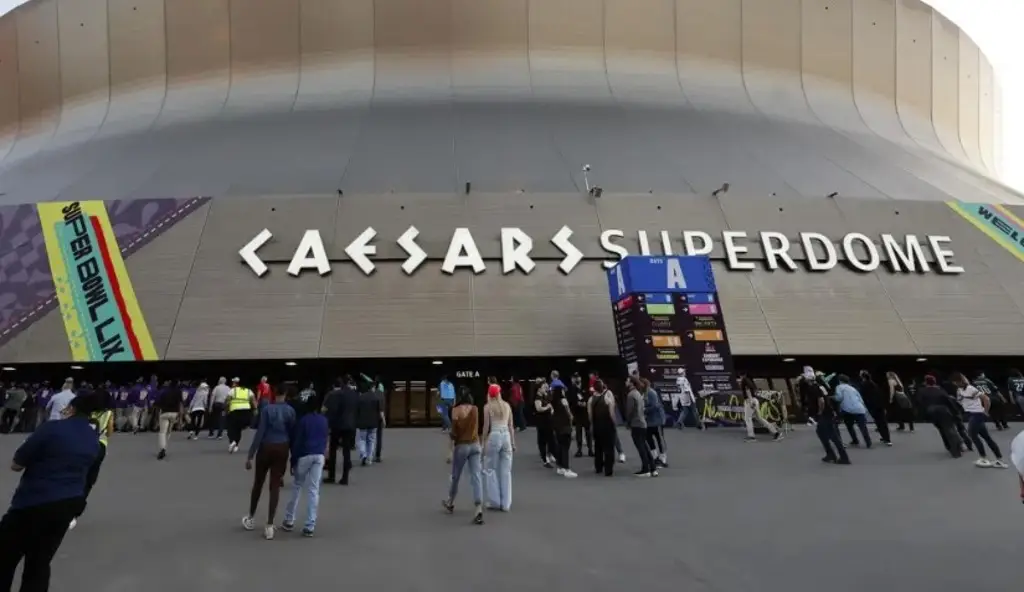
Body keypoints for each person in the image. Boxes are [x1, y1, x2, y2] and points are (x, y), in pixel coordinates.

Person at [0, 392, 100, 592]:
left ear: (71, 409)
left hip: (33, 501)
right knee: (39, 562)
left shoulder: (51, 429)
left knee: (4, 557)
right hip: (68, 503)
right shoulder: (93, 438)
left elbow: (17, 464)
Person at [243, 384, 297, 540]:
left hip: (266, 446)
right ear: (285, 394)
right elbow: (292, 434)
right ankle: (269, 525)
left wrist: (250, 455)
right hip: (282, 447)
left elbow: (260, 432)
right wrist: (293, 458)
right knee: (275, 486)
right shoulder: (290, 411)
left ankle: (251, 517)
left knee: (258, 483)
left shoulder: (267, 410)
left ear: (274, 394)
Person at [284, 398, 328, 537]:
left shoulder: (303, 421)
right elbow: (326, 438)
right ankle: (310, 524)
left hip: (304, 455)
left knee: (297, 486)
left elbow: (298, 442)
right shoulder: (324, 420)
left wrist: (293, 460)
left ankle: (289, 519)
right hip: (319, 455)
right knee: (314, 490)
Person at [71, 388, 114, 530]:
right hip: (99, 446)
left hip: (82, 442)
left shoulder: (87, 411)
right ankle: (76, 512)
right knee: (89, 480)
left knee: (76, 474)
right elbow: (109, 432)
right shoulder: (108, 413)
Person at [442, 390, 484, 524]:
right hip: (475, 444)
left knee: (456, 476)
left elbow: (453, 433)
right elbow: (479, 428)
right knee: (476, 476)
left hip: (462, 446)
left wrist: (449, 451)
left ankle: (450, 501)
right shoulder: (476, 409)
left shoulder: (455, 411)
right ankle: (478, 508)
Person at [952, 372, 1008, 469]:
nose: (955, 384)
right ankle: (999, 459)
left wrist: (985, 411)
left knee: (972, 434)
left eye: (956, 382)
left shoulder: (970, 388)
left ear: (959, 381)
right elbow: (961, 402)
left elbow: (986, 399)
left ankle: (984, 457)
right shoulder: (960, 390)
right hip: (970, 414)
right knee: (986, 437)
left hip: (977, 414)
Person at [482, 383, 514, 511]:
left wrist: (483, 442)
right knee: (506, 471)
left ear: (489, 394)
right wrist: (513, 442)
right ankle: (506, 503)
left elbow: (486, 427)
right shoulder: (507, 405)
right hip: (506, 435)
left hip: (494, 435)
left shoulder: (488, 407)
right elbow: (511, 426)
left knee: (490, 468)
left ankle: (495, 501)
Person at [322, 376, 359, 485]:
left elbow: (325, 410)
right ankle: (345, 477)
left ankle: (331, 476)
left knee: (333, 450)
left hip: (336, 425)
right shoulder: (354, 394)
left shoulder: (334, 395)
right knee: (346, 451)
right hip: (350, 425)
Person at [918, 375, 963, 457]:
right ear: (934, 382)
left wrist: (923, 415)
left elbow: (920, 403)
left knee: (941, 429)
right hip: (944, 410)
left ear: (925, 382)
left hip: (931, 412)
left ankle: (949, 446)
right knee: (949, 429)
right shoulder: (940, 390)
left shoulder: (922, 391)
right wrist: (956, 412)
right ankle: (956, 449)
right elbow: (948, 400)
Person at [624, 377, 657, 477]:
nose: (625, 382)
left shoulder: (631, 395)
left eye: (627, 381)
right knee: (645, 446)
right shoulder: (638, 393)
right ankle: (653, 468)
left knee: (641, 447)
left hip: (636, 423)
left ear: (631, 383)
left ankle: (645, 469)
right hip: (642, 423)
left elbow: (630, 411)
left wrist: (628, 422)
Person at [813, 374, 849, 464]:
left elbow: (822, 401)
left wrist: (819, 412)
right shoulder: (825, 387)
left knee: (832, 435)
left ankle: (843, 457)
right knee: (821, 432)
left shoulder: (819, 388)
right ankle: (831, 454)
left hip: (826, 414)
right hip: (830, 413)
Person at [739, 373, 782, 442]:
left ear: (742, 375)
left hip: (750, 401)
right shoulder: (750, 381)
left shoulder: (744, 380)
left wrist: (750, 402)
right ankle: (776, 433)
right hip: (755, 400)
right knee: (760, 418)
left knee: (747, 419)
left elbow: (748, 390)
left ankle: (751, 436)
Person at [588, 380, 618, 476]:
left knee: (598, 447)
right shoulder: (607, 397)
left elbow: (590, 415)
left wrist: (592, 424)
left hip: (597, 426)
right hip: (607, 425)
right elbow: (611, 412)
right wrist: (614, 423)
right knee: (609, 448)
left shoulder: (591, 399)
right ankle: (608, 470)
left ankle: (598, 467)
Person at [833, 375, 872, 448]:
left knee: (844, 425)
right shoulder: (853, 388)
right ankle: (868, 442)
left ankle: (854, 440)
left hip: (847, 409)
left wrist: (833, 397)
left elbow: (839, 398)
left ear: (840, 381)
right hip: (859, 409)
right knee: (863, 427)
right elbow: (861, 399)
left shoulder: (839, 387)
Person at [857, 371, 891, 446]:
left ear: (862, 377)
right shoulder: (873, 383)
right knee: (882, 422)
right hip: (879, 405)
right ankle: (886, 438)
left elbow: (863, 397)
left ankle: (885, 437)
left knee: (879, 422)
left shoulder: (863, 385)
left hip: (872, 406)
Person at [550, 382, 577, 478]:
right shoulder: (563, 400)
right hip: (565, 426)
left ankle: (560, 467)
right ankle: (566, 468)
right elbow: (569, 413)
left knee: (560, 446)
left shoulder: (553, 401)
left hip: (557, 426)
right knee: (565, 447)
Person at [356, 380, 384, 466]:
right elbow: (380, 411)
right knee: (371, 440)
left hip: (362, 422)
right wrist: (383, 420)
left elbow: (357, 410)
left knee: (362, 439)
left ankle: (363, 454)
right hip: (373, 422)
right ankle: (369, 458)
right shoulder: (376, 398)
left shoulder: (360, 397)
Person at [154, 380, 183, 460]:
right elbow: (180, 405)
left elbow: (157, 405)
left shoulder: (163, 392)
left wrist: (156, 419)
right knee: (169, 431)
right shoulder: (179, 392)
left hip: (164, 413)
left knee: (162, 432)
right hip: (174, 413)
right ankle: (165, 446)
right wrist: (180, 419)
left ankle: (162, 448)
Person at [226, 378, 255, 454]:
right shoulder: (248, 391)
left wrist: (226, 409)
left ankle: (232, 441)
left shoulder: (233, 390)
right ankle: (236, 444)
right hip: (245, 412)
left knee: (231, 428)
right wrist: (255, 409)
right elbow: (253, 400)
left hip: (234, 411)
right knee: (239, 429)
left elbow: (227, 400)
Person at [643, 378, 668, 467]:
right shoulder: (643, 393)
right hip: (648, 421)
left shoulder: (651, 393)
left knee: (660, 439)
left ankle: (663, 459)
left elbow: (655, 406)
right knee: (649, 439)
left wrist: (644, 410)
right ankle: (655, 457)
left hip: (657, 421)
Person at [533, 382, 556, 467]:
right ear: (539, 389)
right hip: (542, 422)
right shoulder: (538, 398)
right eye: (543, 388)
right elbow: (538, 408)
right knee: (542, 441)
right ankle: (545, 460)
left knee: (551, 439)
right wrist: (547, 407)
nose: (545, 389)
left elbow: (550, 404)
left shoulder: (545, 396)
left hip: (548, 421)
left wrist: (551, 409)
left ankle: (551, 455)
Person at [569, 374, 592, 457]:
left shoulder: (585, 388)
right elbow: (571, 401)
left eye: (578, 377)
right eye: (576, 378)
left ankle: (590, 449)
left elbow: (589, 397)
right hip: (578, 414)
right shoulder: (573, 390)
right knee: (578, 433)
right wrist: (577, 404)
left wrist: (585, 403)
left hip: (585, 413)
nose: (577, 379)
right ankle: (579, 450)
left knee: (588, 433)